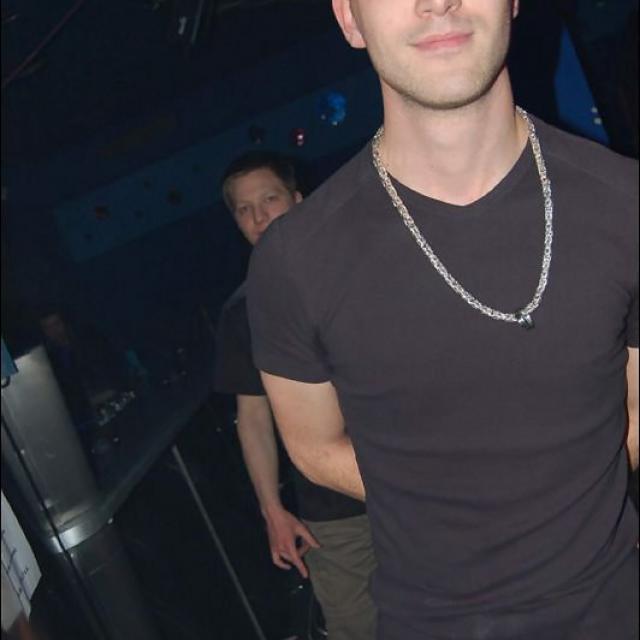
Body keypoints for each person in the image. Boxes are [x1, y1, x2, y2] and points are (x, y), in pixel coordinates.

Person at [246, 2, 639, 639]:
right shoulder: (294, 261)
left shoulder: (626, 205)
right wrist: (452, 503)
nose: (437, 1)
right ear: (350, 19)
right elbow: (313, 447)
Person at [214, 151, 377, 640]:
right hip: (332, 507)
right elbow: (253, 418)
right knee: (357, 627)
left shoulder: (364, 272)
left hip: (419, 477)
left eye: (269, 199)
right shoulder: (242, 313)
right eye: (244, 209)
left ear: (298, 200)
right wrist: (272, 511)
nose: (259, 217)